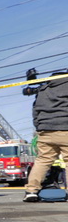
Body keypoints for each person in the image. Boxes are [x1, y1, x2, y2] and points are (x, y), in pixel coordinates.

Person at [21, 70, 68, 202]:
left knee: (42, 161)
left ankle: (31, 191)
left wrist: (39, 127)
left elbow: (35, 111)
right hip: (66, 128)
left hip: (45, 130)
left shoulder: (43, 89)